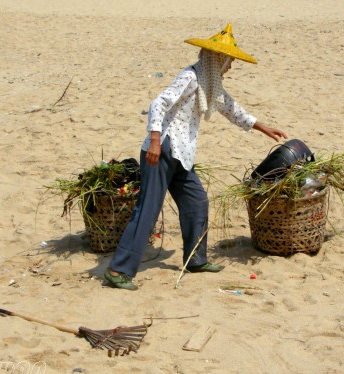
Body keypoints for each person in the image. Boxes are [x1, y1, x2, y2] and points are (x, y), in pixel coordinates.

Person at [104, 23, 288, 290]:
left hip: (182, 154)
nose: (231, 67)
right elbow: (159, 103)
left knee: (197, 202)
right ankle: (118, 270)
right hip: (163, 149)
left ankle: (195, 259)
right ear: (218, 59)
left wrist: (262, 127)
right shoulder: (190, 77)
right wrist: (155, 141)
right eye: (229, 61)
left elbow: (232, 109)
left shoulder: (209, 83)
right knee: (148, 210)